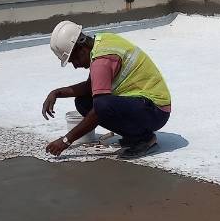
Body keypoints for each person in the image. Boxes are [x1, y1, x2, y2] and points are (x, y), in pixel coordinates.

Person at [43, 21, 172, 159]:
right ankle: (135, 135)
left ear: (82, 47)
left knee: (101, 104)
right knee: (83, 102)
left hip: (155, 111)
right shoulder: (103, 41)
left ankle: (144, 139)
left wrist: (66, 141)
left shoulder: (102, 60)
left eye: (74, 59)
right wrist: (56, 93)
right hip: (146, 106)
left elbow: (100, 109)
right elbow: (90, 87)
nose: (75, 65)